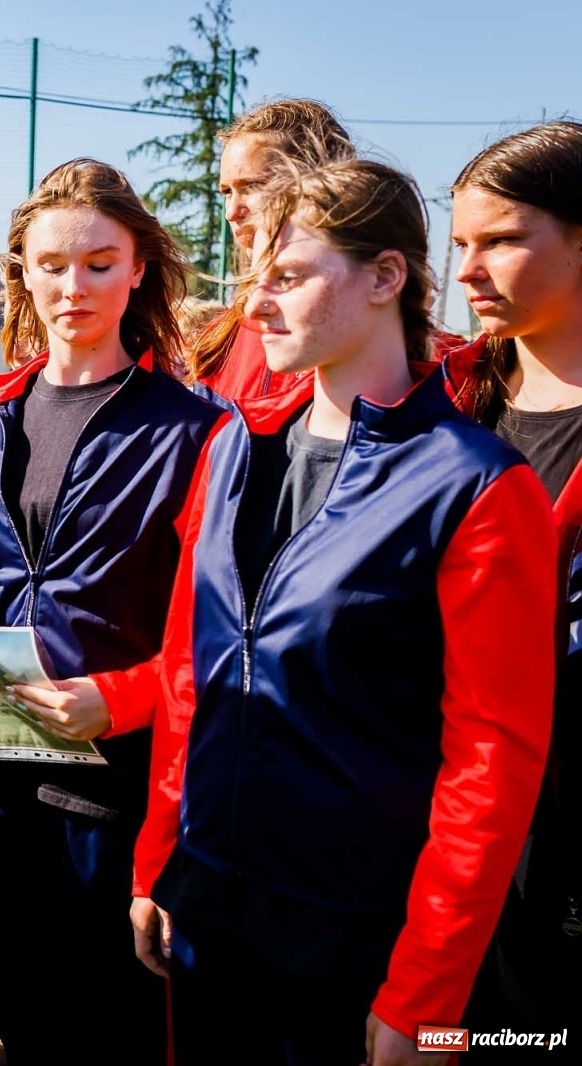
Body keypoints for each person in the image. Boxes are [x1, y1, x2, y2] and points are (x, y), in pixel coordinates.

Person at [131, 158, 556, 1066]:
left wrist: (426, 994)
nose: (255, 308)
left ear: (385, 276)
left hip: (359, 940)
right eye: (256, 281)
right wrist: (160, 860)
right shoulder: (233, 446)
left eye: (287, 278)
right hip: (207, 909)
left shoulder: (476, 484)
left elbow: (493, 762)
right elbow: (187, 673)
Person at [0, 158, 222, 1064]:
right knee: (15, 1001)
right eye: (52, 265)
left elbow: (223, 639)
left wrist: (122, 697)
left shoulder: (196, 429)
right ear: (22, 273)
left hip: (117, 789)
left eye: (100, 263)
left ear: (139, 269)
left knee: (115, 1026)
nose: (73, 287)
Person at [443, 120, 582, 1038]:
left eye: (501, 239)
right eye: (460, 244)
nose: (467, 271)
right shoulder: (446, 402)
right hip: (456, 808)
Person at [189, 98, 357, 403]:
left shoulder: (370, 335)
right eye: (227, 192)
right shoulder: (217, 342)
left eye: (251, 187)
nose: (232, 211)